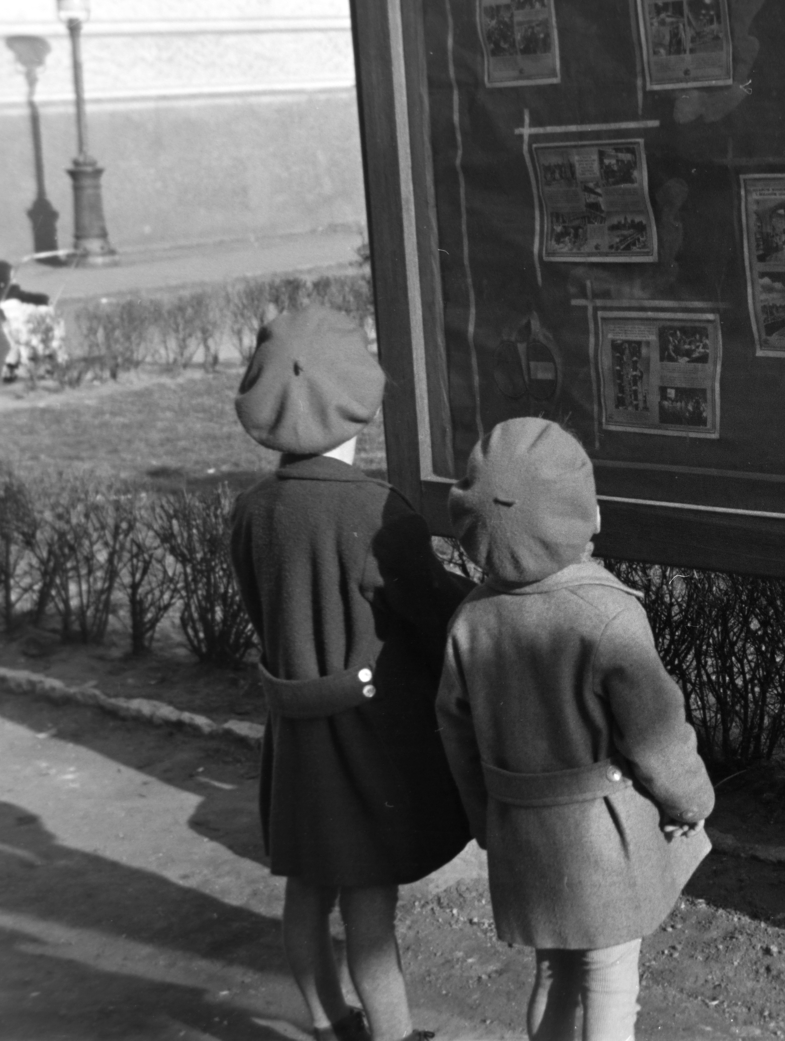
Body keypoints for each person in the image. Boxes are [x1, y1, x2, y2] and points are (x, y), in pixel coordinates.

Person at [229, 306, 473, 1041]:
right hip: (368, 741)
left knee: (306, 888)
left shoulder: (253, 510)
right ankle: (393, 1034)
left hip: (295, 739)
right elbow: (434, 617)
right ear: (358, 404)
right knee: (370, 911)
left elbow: (259, 607)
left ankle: (326, 1021)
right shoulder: (376, 509)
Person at [438, 418, 714, 1041]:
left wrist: (486, 822)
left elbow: (456, 733)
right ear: (589, 518)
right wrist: (692, 802)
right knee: (610, 979)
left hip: (521, 834)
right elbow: (657, 739)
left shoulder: (469, 621)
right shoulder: (609, 615)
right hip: (602, 843)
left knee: (552, 974)